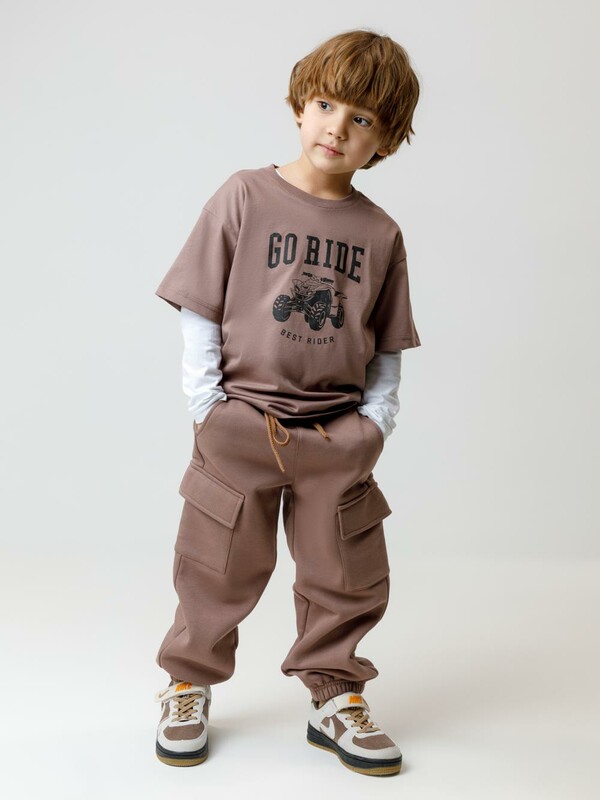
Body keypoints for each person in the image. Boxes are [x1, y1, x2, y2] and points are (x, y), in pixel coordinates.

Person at [152, 28, 422, 776]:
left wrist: (377, 420)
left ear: (385, 141)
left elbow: (387, 340)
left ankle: (335, 696)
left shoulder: (380, 233)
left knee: (345, 571)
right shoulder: (245, 194)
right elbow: (200, 304)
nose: (338, 127)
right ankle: (187, 684)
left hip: (337, 434)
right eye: (327, 105)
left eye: (362, 118)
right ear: (301, 105)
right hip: (241, 422)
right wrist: (206, 404)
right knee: (216, 563)